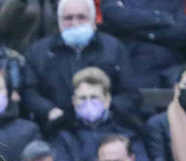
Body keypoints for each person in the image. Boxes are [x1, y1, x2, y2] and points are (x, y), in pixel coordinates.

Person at [20, 0, 135, 131]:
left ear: (93, 20)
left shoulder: (114, 48)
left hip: (107, 128)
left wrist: (106, 107)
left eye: (81, 17)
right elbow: (29, 92)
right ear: (59, 21)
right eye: (68, 18)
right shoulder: (38, 52)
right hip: (57, 130)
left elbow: (130, 93)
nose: (75, 23)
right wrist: (49, 111)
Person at [44, 66, 142, 161]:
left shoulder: (127, 131)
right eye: (83, 98)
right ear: (74, 101)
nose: (88, 103)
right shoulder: (62, 134)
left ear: (107, 100)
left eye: (94, 97)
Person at [98, 0, 186, 85]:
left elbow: (182, 32)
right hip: (128, 63)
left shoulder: (173, 2)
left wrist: (135, 31)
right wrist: (159, 17)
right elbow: (114, 15)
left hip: (166, 66)